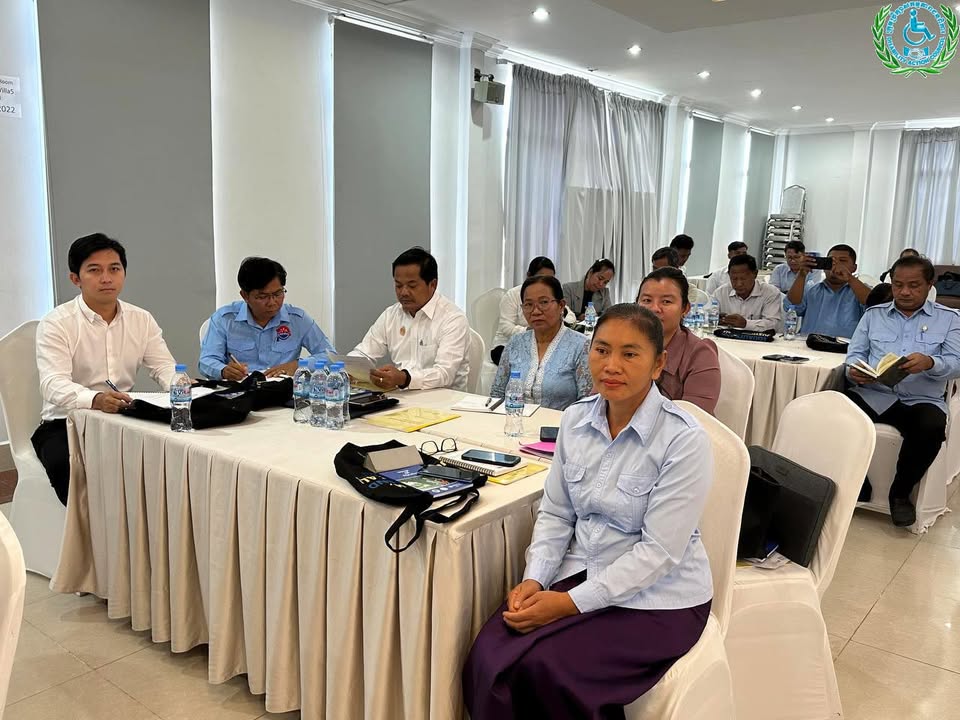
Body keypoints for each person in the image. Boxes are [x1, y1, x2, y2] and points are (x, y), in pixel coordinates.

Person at [463, 304, 713, 720]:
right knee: (489, 656)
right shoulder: (576, 421)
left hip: (660, 598)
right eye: (601, 350)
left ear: (658, 364)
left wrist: (568, 604)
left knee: (548, 670)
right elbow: (557, 514)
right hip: (582, 571)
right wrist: (535, 578)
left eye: (630, 354)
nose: (611, 365)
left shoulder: (682, 440)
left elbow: (659, 553)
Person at [33, 233, 177, 505]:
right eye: (94, 270)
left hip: (123, 419)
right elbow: (52, 384)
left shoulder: (141, 319)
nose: (106, 278)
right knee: (74, 475)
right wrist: (96, 399)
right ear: (75, 279)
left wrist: (182, 386)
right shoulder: (57, 323)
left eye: (114, 269)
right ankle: (91, 532)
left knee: (172, 457)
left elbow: (164, 366)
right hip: (65, 424)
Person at [845, 256, 960, 527]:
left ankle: (900, 493)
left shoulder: (950, 319)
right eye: (898, 285)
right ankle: (860, 483)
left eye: (914, 285)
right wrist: (854, 371)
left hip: (921, 400)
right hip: (875, 394)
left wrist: (930, 362)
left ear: (929, 285)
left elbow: (956, 363)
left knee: (931, 426)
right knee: (836, 410)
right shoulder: (873, 315)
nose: (905, 292)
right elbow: (855, 354)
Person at [351, 247, 470, 391]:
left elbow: (444, 374)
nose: (404, 292)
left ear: (433, 284)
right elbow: (364, 352)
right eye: (398, 285)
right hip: (401, 398)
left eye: (412, 286)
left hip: (444, 400)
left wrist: (405, 378)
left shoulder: (452, 318)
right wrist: (349, 369)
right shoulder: (391, 315)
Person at [199, 257, 335, 380]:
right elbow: (207, 360)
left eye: (278, 294)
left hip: (284, 391)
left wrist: (297, 365)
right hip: (241, 391)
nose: (272, 302)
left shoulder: (297, 319)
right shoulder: (224, 319)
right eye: (262, 297)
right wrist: (224, 371)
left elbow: (330, 356)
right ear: (245, 295)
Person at [490, 276, 591, 410]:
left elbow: (587, 403)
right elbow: (497, 393)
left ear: (561, 305)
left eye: (544, 302)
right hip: (514, 420)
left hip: (561, 422)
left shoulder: (581, 345)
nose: (536, 311)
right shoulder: (516, 342)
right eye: (528, 304)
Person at [637, 268, 721, 414]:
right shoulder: (623, 345)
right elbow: (600, 402)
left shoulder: (700, 354)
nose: (655, 308)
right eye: (647, 300)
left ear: (685, 309)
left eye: (666, 301)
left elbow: (694, 419)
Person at [491, 256, 575, 365]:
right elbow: (506, 327)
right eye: (529, 304)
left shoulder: (552, 295)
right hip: (508, 344)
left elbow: (570, 317)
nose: (546, 283)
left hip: (542, 342)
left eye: (551, 279)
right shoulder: (512, 295)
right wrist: (530, 331)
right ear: (529, 276)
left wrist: (555, 323)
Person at [787, 244, 869, 338]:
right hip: (810, 344)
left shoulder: (859, 291)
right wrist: (801, 275)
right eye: (831, 261)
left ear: (854, 268)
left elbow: (872, 303)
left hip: (845, 346)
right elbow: (791, 307)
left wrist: (849, 278)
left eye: (842, 261)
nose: (835, 265)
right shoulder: (810, 290)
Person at [711, 254, 783, 332]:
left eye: (743, 279)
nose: (739, 284)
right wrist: (715, 319)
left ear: (755, 274)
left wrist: (745, 324)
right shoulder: (720, 293)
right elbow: (706, 315)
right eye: (734, 279)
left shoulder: (770, 293)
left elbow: (773, 324)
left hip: (758, 339)